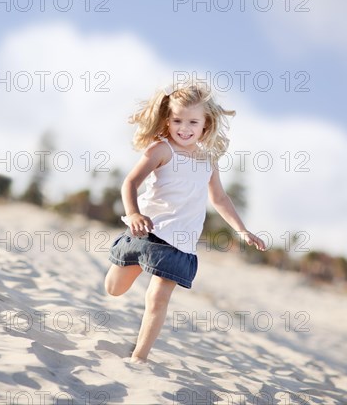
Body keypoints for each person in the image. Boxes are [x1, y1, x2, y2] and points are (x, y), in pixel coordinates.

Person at [104, 80, 266, 364]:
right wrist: (133, 213)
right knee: (114, 289)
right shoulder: (161, 149)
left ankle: (139, 358)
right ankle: (128, 264)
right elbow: (130, 183)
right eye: (178, 120)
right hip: (147, 232)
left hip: (180, 244)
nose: (185, 127)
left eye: (193, 121)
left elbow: (220, 199)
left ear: (206, 124)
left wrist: (242, 230)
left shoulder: (208, 159)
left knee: (158, 299)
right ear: (167, 119)